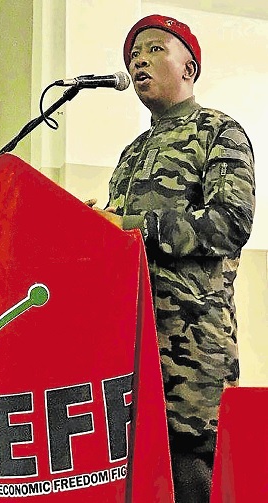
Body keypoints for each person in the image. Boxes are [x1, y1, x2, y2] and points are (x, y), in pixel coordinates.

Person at [86, 14, 255, 503]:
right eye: (134, 56)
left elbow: (231, 222)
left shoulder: (219, 132)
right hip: (126, 356)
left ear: (190, 67)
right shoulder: (130, 153)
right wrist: (96, 229)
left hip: (191, 359)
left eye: (156, 48)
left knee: (189, 485)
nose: (139, 60)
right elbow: (122, 245)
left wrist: (136, 225)